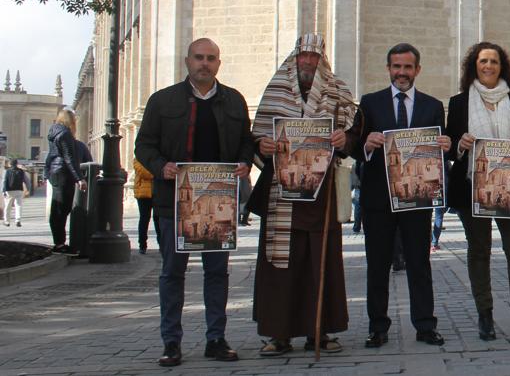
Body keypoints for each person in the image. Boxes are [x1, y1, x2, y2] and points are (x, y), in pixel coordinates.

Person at [133, 38, 256, 367]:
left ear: (219, 63)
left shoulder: (234, 101)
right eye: (199, 58)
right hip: (173, 201)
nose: (205, 63)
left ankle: (216, 338)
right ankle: (171, 342)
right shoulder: (162, 101)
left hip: (218, 202)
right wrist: (162, 167)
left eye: (211, 58)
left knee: (217, 273)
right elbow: (143, 146)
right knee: (172, 272)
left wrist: (245, 164)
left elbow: (246, 141)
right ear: (187, 61)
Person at [248, 34, 356, 356]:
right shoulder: (276, 90)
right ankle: (278, 334)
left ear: (322, 59)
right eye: (303, 56)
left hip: (321, 196)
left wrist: (343, 139)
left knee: (320, 263)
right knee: (280, 264)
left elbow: (354, 131)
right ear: (295, 58)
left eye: (314, 56)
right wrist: (261, 146)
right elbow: (258, 135)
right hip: (282, 194)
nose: (308, 62)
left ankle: (319, 332)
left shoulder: (338, 92)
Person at [345, 42, 451, 348]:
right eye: (396, 66)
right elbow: (354, 147)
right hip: (378, 200)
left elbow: (439, 155)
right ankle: (378, 327)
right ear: (389, 68)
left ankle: (425, 325)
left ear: (417, 69)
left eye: (407, 67)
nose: (401, 73)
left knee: (419, 263)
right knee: (377, 265)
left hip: (417, 200)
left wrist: (444, 147)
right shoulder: (370, 102)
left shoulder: (432, 106)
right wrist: (368, 143)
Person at [446, 41, 510, 341]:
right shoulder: (459, 102)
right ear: (473, 66)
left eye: (494, 61)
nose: (488, 66)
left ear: (503, 67)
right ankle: (485, 315)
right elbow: (450, 142)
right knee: (479, 251)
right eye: (483, 61)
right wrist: (459, 145)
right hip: (470, 190)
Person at [45, 109, 87, 253]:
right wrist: (79, 178)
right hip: (63, 173)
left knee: (58, 209)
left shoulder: (54, 131)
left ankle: (59, 242)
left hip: (55, 172)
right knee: (62, 209)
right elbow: (69, 158)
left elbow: (52, 155)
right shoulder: (65, 134)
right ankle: (60, 244)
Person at [132, 158, 155, 253]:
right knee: (144, 219)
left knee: (158, 219)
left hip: (156, 192)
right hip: (143, 193)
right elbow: (143, 172)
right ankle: (142, 244)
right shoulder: (137, 159)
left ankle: (161, 244)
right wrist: (157, 173)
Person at [3, 158, 31, 227]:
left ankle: (7, 221)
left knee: (7, 206)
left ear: (10, 164)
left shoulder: (7, 171)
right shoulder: (21, 171)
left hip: (9, 191)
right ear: (16, 164)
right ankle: (18, 220)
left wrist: (3, 191)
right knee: (18, 206)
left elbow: (4, 181)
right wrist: (28, 189)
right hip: (19, 190)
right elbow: (27, 181)